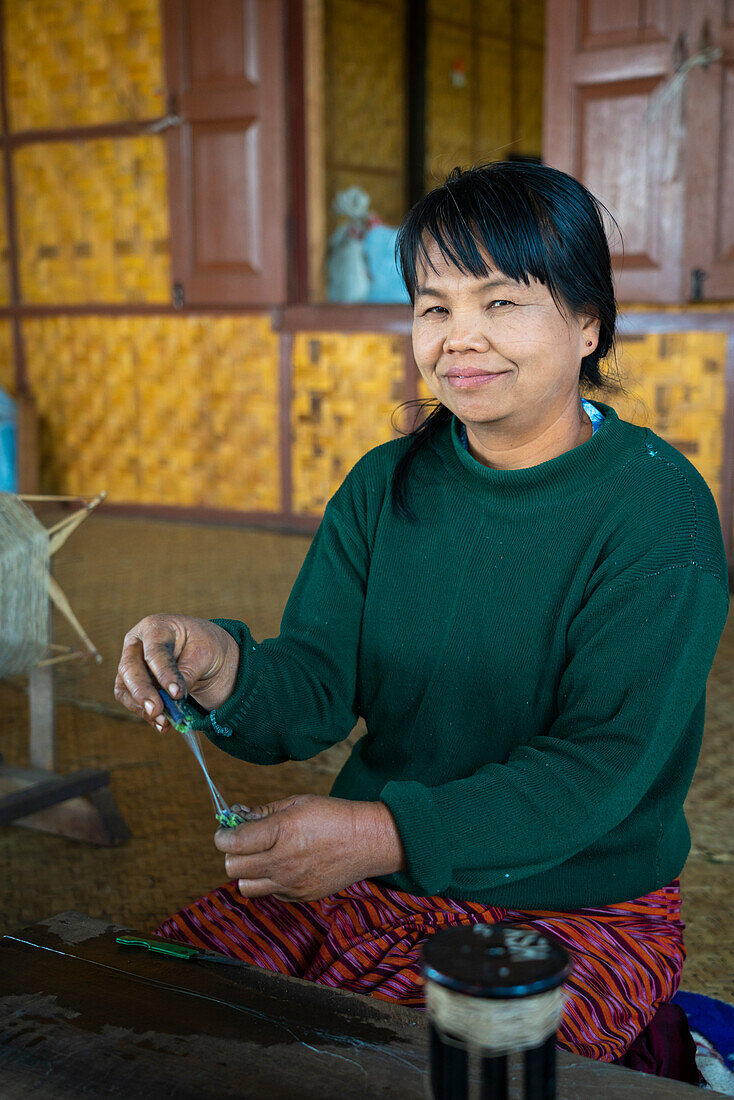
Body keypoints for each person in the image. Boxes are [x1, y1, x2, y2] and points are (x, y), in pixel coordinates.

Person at [115, 162, 729, 1071]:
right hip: (376, 873)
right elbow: (318, 686)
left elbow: (595, 772)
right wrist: (221, 668)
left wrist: (379, 833)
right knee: (154, 1026)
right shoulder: (385, 485)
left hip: (574, 899)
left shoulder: (658, 512)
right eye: (434, 307)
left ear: (590, 322)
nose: (459, 339)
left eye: (503, 302)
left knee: (438, 1078)